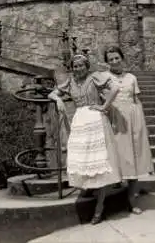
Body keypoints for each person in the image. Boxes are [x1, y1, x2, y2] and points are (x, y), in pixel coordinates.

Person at [49, 54, 122, 224]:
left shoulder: (94, 77)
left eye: (81, 65)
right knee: (84, 161)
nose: (78, 69)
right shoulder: (70, 81)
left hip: (96, 120)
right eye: (75, 66)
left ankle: (99, 207)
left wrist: (104, 106)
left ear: (87, 66)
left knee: (100, 162)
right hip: (80, 121)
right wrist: (58, 99)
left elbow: (116, 87)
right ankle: (89, 189)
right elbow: (52, 93)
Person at [102, 46, 154, 214]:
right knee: (116, 157)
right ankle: (109, 195)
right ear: (107, 62)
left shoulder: (131, 77)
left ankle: (132, 198)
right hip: (115, 119)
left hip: (133, 120)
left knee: (134, 157)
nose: (115, 61)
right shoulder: (104, 78)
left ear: (122, 58)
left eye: (117, 58)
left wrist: (141, 123)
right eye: (111, 59)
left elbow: (136, 99)